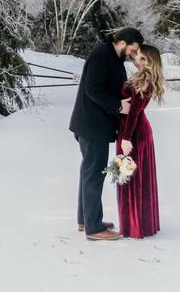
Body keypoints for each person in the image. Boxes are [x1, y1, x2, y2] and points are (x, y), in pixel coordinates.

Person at [68, 27, 144, 241]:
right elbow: (93, 89)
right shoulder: (102, 55)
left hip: (91, 125)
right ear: (122, 42)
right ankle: (94, 228)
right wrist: (118, 106)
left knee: (88, 172)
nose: (132, 54)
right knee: (94, 174)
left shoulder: (111, 56)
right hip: (92, 126)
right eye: (132, 49)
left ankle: (86, 219)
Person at [116, 43, 165, 239]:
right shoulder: (141, 77)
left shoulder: (145, 81)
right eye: (138, 57)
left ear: (151, 63)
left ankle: (136, 225)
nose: (138, 60)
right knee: (129, 177)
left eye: (143, 59)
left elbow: (134, 112)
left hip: (134, 133)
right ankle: (137, 223)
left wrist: (126, 139)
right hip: (134, 131)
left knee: (130, 177)